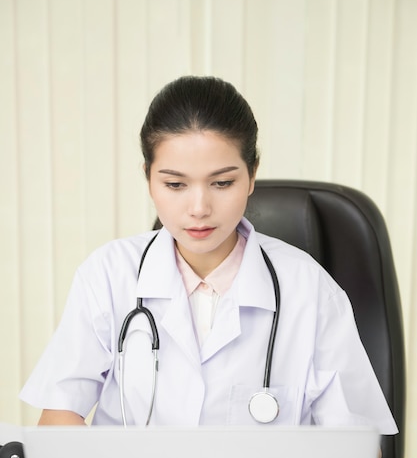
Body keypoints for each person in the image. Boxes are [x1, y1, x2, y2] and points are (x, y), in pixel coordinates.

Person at [20, 76, 398, 438]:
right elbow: (59, 414)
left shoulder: (309, 289)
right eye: (175, 184)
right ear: (148, 178)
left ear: (251, 176)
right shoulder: (108, 274)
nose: (199, 208)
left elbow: (358, 446)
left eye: (222, 183)